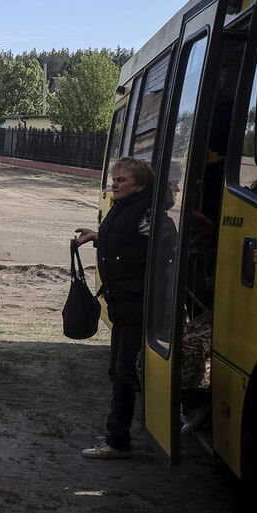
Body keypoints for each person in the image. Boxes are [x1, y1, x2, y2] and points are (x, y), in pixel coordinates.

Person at [73, 156, 155, 460]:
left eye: (121, 180)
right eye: (113, 179)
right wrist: (97, 237)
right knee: (116, 371)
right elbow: (125, 240)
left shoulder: (146, 209)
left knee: (123, 373)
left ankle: (118, 441)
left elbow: (159, 245)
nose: (114, 184)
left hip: (135, 304)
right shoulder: (125, 205)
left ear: (140, 183)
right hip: (121, 304)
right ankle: (116, 434)